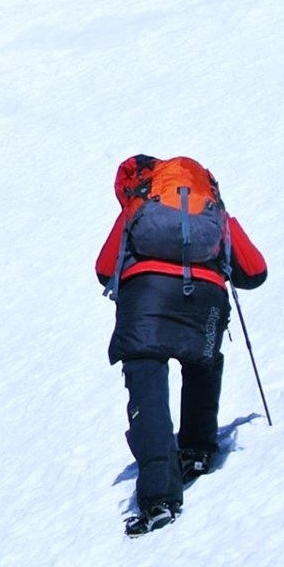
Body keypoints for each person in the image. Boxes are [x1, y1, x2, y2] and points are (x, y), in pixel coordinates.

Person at [94, 155, 267, 535]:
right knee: (202, 361)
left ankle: (159, 496)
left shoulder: (139, 206)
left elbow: (104, 269)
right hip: (204, 299)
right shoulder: (212, 211)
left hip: (145, 300)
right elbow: (254, 273)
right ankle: (198, 448)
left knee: (148, 389)